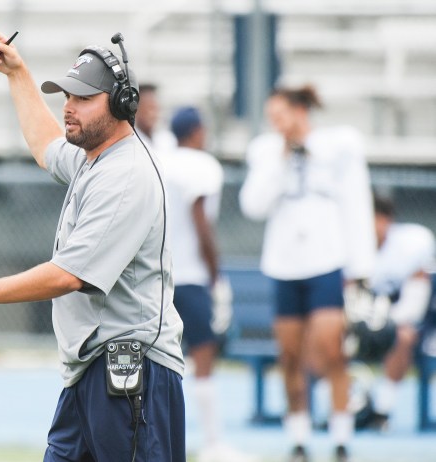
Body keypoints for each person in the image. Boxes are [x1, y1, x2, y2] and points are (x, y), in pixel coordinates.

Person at [0, 28, 186, 462]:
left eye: (83, 98)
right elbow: (45, 146)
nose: (68, 107)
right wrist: (18, 74)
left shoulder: (124, 174)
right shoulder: (96, 157)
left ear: (120, 104)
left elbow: (69, 275)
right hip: (94, 371)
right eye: (66, 96)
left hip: (132, 373)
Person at [239, 85, 376, 462]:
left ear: (300, 112)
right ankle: (299, 436)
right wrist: (281, 159)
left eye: (281, 116)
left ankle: (340, 436)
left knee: (332, 351)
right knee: (289, 355)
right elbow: (253, 205)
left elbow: (356, 203)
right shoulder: (267, 152)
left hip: (325, 263)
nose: (276, 125)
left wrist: (361, 268)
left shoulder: (337, 148)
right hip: (284, 265)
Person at [161, 107, 255, 462]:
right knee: (203, 357)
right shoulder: (202, 167)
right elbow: (201, 222)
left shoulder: (163, 161)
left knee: (159, 361)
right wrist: (217, 276)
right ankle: (212, 442)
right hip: (191, 276)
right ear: (197, 131)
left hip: (161, 277)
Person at [355, 194, 435, 430]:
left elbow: (415, 301)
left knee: (403, 336)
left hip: (398, 319)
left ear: (386, 220)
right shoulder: (348, 247)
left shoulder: (412, 244)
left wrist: (385, 322)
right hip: (358, 317)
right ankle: (342, 404)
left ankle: (382, 410)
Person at [134, 83, 176, 152]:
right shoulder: (130, 142)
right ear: (136, 110)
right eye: (149, 108)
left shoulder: (167, 139)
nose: (153, 114)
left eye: (156, 108)